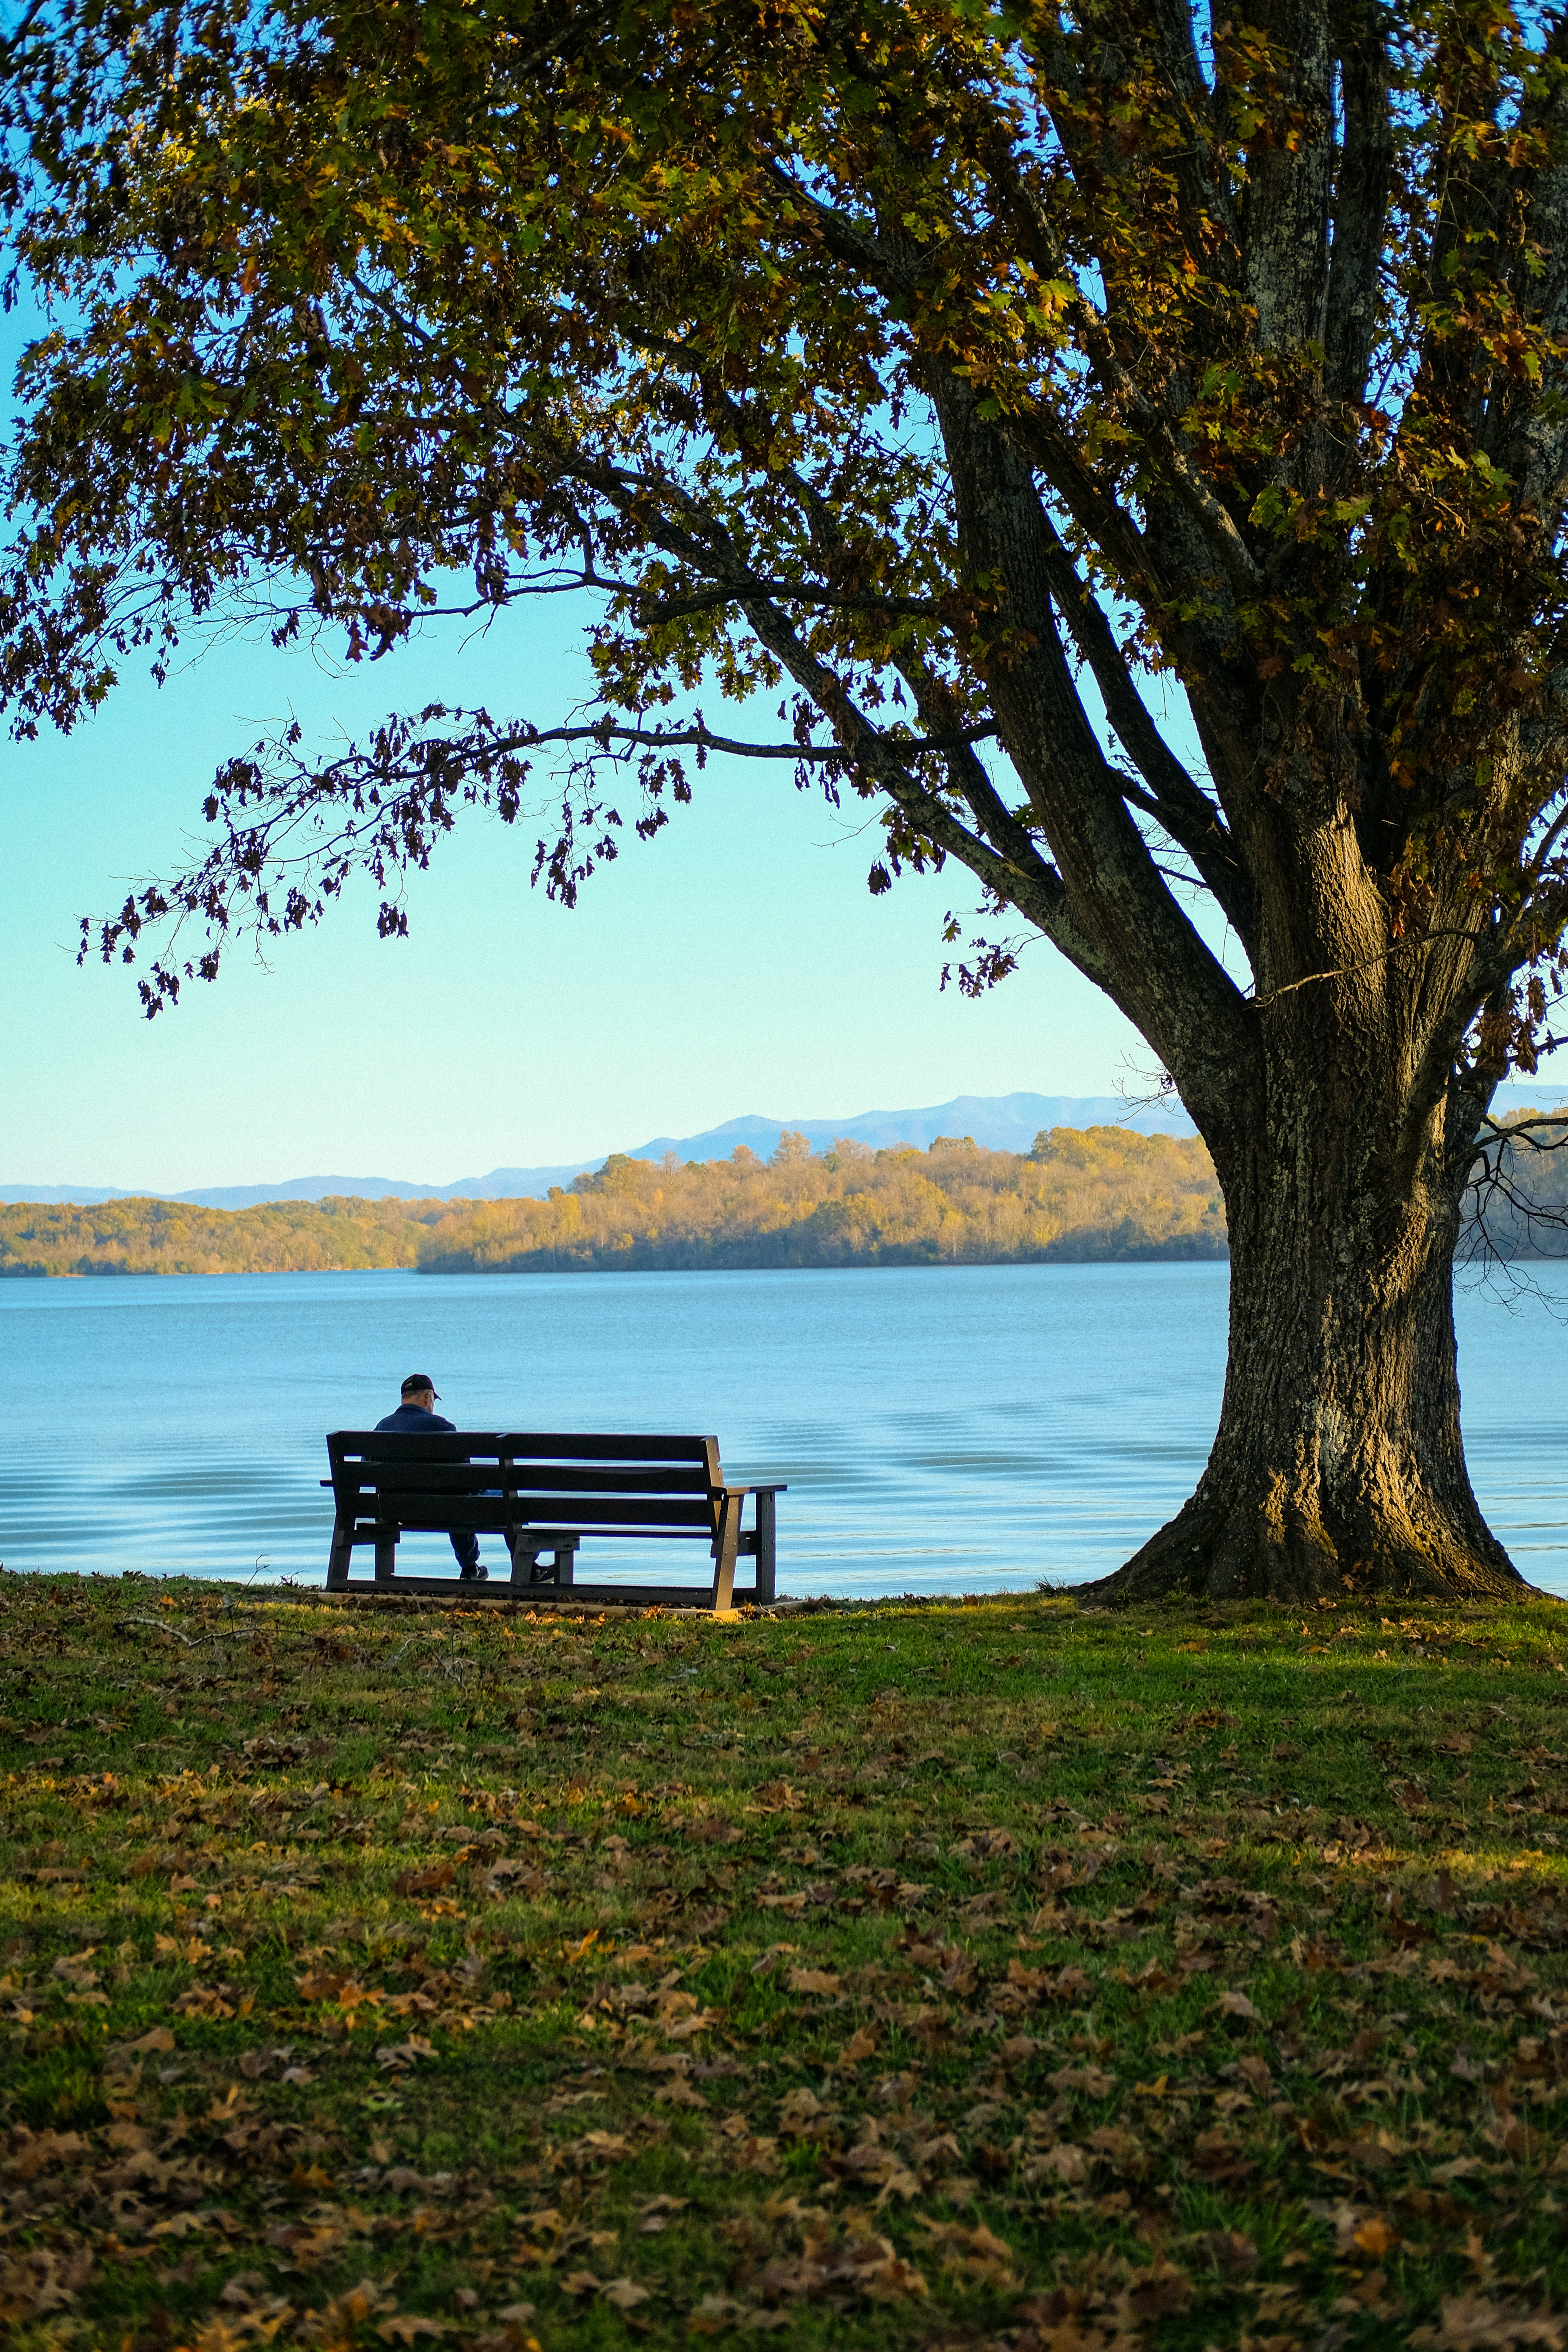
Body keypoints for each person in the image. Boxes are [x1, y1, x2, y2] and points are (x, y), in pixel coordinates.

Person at [374, 1374, 488, 1582]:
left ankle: (471, 1569)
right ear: (428, 1399)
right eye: (434, 1401)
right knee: (500, 1497)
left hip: (394, 1511)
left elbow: (368, 1470)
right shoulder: (443, 1428)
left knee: (456, 1498)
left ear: (404, 1399)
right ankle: (524, 1568)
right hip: (444, 1511)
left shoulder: (381, 1428)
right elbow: (465, 1478)